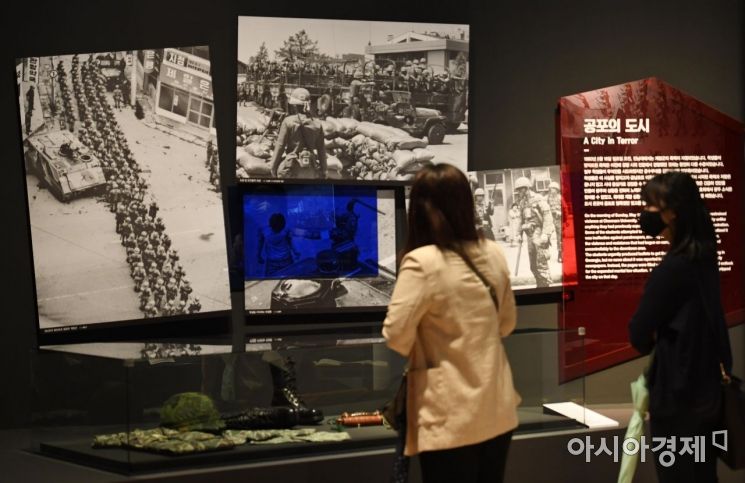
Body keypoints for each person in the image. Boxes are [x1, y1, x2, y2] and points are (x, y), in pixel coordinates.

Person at [382, 163, 520, 483]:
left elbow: (395, 335)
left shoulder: (422, 262)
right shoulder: (493, 253)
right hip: (497, 408)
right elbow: (506, 325)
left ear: (418, 210)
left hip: (449, 416)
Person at [628, 172, 732, 483]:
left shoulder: (674, 268)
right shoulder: (704, 256)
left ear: (672, 212)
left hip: (678, 396)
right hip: (707, 392)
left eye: (650, 206)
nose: (645, 214)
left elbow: (638, 331)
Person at [269, 88, 328, 179]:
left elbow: (280, 146)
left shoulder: (288, 121)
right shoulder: (317, 123)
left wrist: (273, 167)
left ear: (294, 106)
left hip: (291, 169)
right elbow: (321, 149)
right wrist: (324, 169)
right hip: (310, 170)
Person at [514, 176, 553, 287]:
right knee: (533, 265)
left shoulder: (538, 198)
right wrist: (518, 234)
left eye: (519, 190)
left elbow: (547, 216)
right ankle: (539, 284)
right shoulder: (522, 203)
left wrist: (546, 233)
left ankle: (545, 287)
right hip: (530, 235)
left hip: (539, 233)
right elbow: (520, 220)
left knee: (541, 263)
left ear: (525, 188)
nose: (518, 192)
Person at [546, 181, 562, 262]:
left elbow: (565, 209)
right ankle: (546, 253)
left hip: (558, 219)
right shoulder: (547, 198)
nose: (551, 190)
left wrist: (560, 213)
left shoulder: (560, 198)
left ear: (556, 190)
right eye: (550, 189)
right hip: (549, 219)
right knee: (546, 236)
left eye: (553, 189)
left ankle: (560, 255)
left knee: (560, 238)